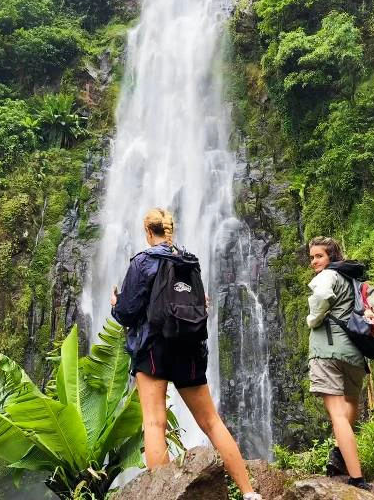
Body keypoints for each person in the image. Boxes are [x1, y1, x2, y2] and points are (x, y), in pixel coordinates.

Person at [110, 208, 261, 500]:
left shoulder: (143, 262)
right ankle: (249, 493)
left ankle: (164, 496)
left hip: (153, 348)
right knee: (212, 422)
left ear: (147, 231)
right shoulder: (189, 261)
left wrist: (116, 303)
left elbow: (128, 313)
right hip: (189, 347)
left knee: (154, 423)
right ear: (170, 230)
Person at [304, 236, 373, 492]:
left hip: (328, 350)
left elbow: (321, 295)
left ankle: (357, 478)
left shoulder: (328, 276)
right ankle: (339, 454)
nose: (314, 261)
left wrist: (313, 319)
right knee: (349, 406)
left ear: (331, 257)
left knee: (336, 414)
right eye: (312, 257)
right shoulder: (353, 280)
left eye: (318, 256)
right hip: (354, 353)